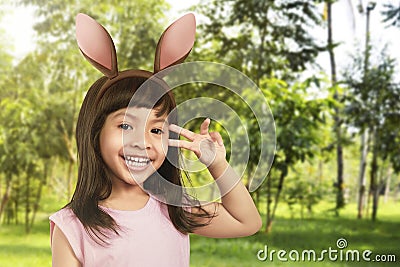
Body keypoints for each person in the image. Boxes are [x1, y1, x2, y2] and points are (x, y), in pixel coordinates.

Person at [50, 13, 261, 267]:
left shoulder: (174, 208)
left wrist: (217, 163)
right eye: (125, 125)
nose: (142, 142)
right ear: (95, 133)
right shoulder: (73, 226)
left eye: (156, 130)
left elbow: (247, 222)